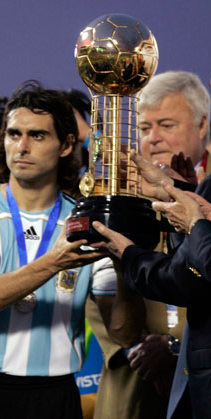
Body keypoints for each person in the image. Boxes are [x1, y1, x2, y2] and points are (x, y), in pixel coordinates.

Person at [0, 82, 139, 419]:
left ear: (66, 145)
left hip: (52, 396)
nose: (22, 147)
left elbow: (122, 332)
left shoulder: (85, 220)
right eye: (14, 134)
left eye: (38, 136)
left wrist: (124, 264)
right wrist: (53, 262)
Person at [87, 70, 211, 419]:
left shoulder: (204, 193)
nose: (153, 138)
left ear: (202, 126)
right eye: (143, 128)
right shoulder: (114, 204)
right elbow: (112, 322)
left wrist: (174, 348)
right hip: (134, 397)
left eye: (167, 125)